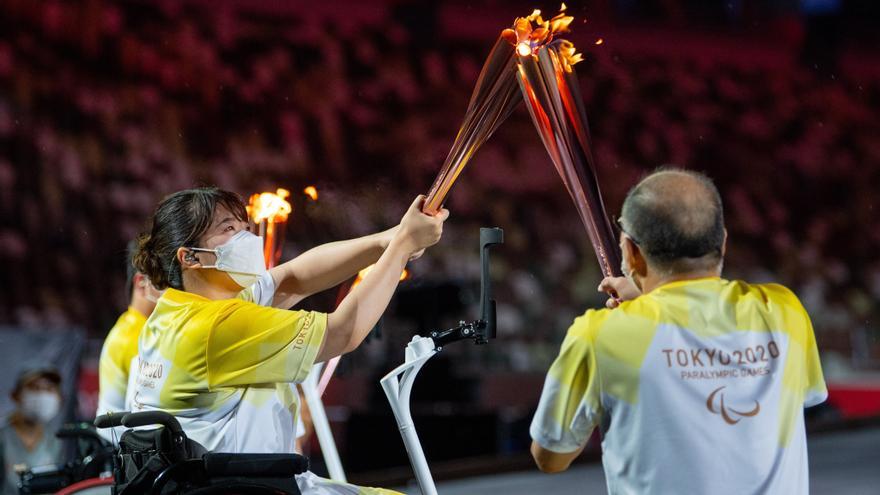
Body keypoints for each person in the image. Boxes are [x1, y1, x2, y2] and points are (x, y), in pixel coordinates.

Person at [131, 187, 447, 494]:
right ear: (190, 257)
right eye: (229, 229)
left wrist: (386, 240)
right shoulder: (215, 327)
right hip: (247, 487)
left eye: (245, 228)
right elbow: (343, 332)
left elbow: (293, 278)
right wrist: (403, 246)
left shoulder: (178, 311)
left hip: (231, 482)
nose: (248, 239)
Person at [529, 169, 827, 494]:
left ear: (630, 252)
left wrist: (639, 314)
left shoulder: (599, 335)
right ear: (723, 241)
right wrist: (647, 306)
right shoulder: (785, 311)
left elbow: (550, 456)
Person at [96, 242, 162, 442]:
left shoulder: (132, 327)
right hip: (122, 449)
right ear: (141, 282)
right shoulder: (136, 337)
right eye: (165, 282)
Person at [1, 367, 64, 495]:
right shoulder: (3, 436)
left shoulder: (54, 440)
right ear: (15, 395)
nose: (42, 395)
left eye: (49, 389)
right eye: (34, 387)